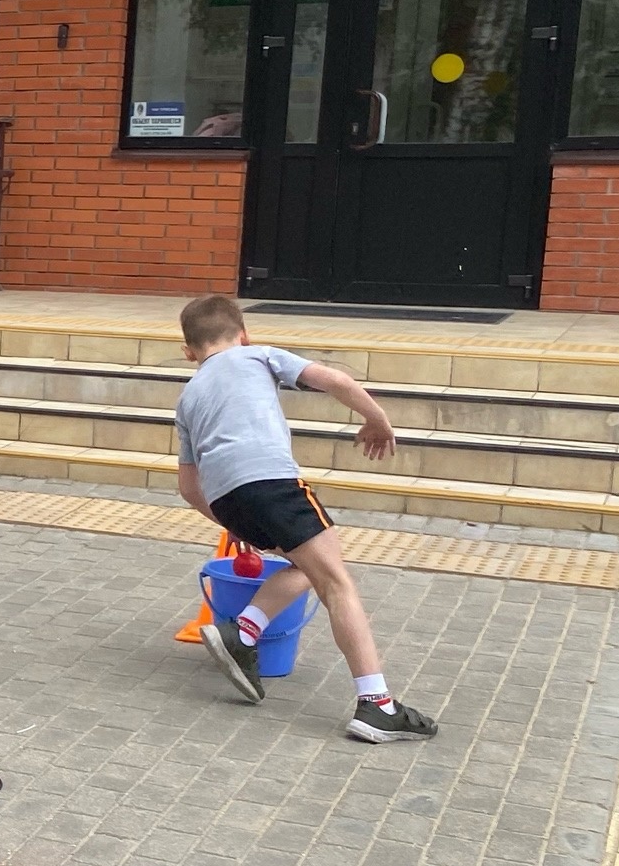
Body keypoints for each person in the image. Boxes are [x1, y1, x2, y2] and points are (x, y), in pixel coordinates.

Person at [175, 294, 439, 743]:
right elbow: (334, 379)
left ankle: (243, 631)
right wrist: (377, 419)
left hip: (228, 499)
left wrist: (234, 526)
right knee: (337, 581)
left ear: (188, 352)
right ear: (244, 334)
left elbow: (188, 486)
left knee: (310, 564)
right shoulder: (256, 354)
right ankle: (376, 705)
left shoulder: (188, 397)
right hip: (273, 482)